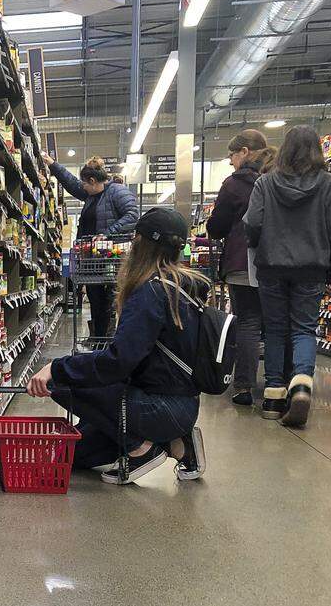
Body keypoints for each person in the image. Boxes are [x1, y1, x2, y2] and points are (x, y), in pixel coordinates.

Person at [27, 207, 211, 485]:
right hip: (178, 405)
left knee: (60, 382)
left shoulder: (150, 292)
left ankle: (141, 449)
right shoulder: (183, 287)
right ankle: (178, 444)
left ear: (139, 242)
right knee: (73, 456)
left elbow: (118, 362)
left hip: (158, 407)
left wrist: (57, 367)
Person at [243, 124, 331, 427]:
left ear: (284, 150)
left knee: (274, 330)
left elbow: (252, 224)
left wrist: (260, 243)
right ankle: (300, 386)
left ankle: (273, 398)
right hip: (311, 267)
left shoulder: (265, 183)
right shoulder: (328, 184)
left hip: (272, 266)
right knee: (304, 329)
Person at [206, 129, 268, 406]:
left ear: (244, 152)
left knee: (248, 322)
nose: (231, 161)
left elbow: (217, 227)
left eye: (232, 154)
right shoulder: (279, 179)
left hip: (243, 261)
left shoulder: (234, 184)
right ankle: (280, 385)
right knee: (278, 324)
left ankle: (243, 387)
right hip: (277, 262)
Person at [51, 157, 139, 338]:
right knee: (95, 299)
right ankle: (98, 337)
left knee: (110, 300)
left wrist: (107, 233)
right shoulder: (91, 195)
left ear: (92, 181)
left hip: (112, 257)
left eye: (85, 183)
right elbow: (73, 183)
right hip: (92, 259)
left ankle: (109, 339)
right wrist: (53, 164)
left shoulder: (117, 192)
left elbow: (132, 215)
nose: (82, 186)